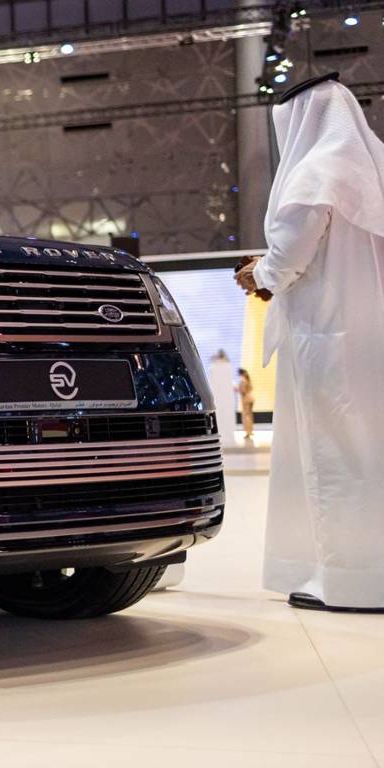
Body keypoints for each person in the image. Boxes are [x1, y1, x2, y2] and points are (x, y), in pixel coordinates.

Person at [234, 72, 384, 612]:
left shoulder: (315, 172)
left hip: (328, 337)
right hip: (372, 338)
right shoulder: (372, 167)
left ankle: (350, 581)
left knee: (334, 453)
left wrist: (258, 273)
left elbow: (290, 256)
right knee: (372, 450)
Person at [235, 368, 254, 441]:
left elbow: (243, 391)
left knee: (246, 416)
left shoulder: (243, 380)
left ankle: (248, 432)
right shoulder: (247, 379)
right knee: (249, 415)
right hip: (250, 398)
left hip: (246, 399)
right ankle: (250, 431)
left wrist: (236, 388)